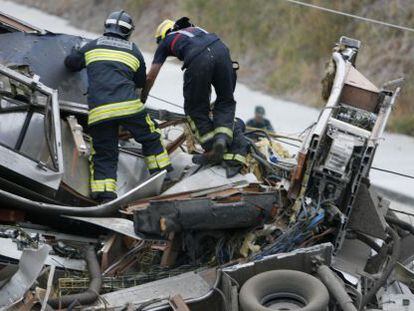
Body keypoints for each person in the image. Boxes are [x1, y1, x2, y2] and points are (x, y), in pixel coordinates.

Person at [64, 11, 171, 203]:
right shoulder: (133, 50)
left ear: (106, 26)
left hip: (100, 111)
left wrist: (79, 53)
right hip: (128, 107)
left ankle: (105, 195)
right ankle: (163, 175)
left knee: (104, 152)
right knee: (150, 136)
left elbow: (70, 64)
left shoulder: (92, 46)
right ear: (128, 32)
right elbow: (140, 82)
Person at [141, 17, 245, 169]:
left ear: (163, 35)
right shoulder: (198, 30)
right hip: (221, 50)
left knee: (195, 109)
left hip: (199, 59)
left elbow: (151, 76)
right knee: (225, 100)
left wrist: (142, 98)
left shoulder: (165, 42)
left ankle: (211, 149)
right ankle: (222, 139)